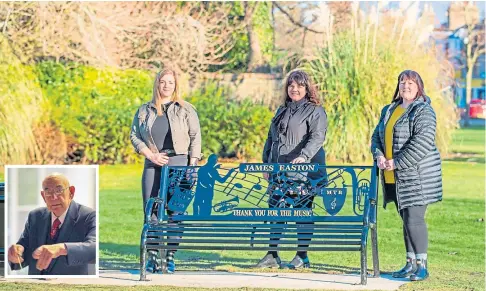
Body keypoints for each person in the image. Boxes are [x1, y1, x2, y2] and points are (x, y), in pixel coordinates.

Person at [371, 70, 443, 281]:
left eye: (411, 83)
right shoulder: (389, 109)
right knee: (406, 220)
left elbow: (421, 143)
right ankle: (410, 263)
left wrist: (397, 162)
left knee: (414, 219)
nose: (406, 86)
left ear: (419, 86)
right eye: (403, 82)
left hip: (418, 176)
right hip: (395, 177)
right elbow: (376, 136)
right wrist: (379, 155)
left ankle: (422, 266)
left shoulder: (423, 111)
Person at [130, 68, 201, 274]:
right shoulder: (145, 110)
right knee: (151, 212)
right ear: (157, 84)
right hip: (153, 165)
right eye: (163, 82)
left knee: (176, 213)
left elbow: (196, 137)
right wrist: (150, 155)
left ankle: (169, 257)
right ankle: (152, 258)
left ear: (175, 85)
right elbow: (135, 136)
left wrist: (192, 164)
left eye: (171, 82)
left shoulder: (186, 109)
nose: (166, 85)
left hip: (179, 165)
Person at [257, 70, 328, 270]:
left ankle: (302, 256)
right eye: (291, 85)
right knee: (276, 211)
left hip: (304, 173)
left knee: (301, 213)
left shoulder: (315, 111)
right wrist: (266, 164)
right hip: (279, 171)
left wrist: (304, 156)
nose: (294, 89)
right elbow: (271, 139)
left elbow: (317, 137)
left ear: (307, 88)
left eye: (299, 86)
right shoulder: (282, 110)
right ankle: (272, 254)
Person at [8, 173, 96, 275]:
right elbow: (24, 250)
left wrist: (61, 248)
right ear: (43, 196)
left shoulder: (89, 216)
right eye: (48, 192)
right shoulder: (35, 216)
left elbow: (95, 248)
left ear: (71, 192)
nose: (54, 197)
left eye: (59, 191)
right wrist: (16, 254)